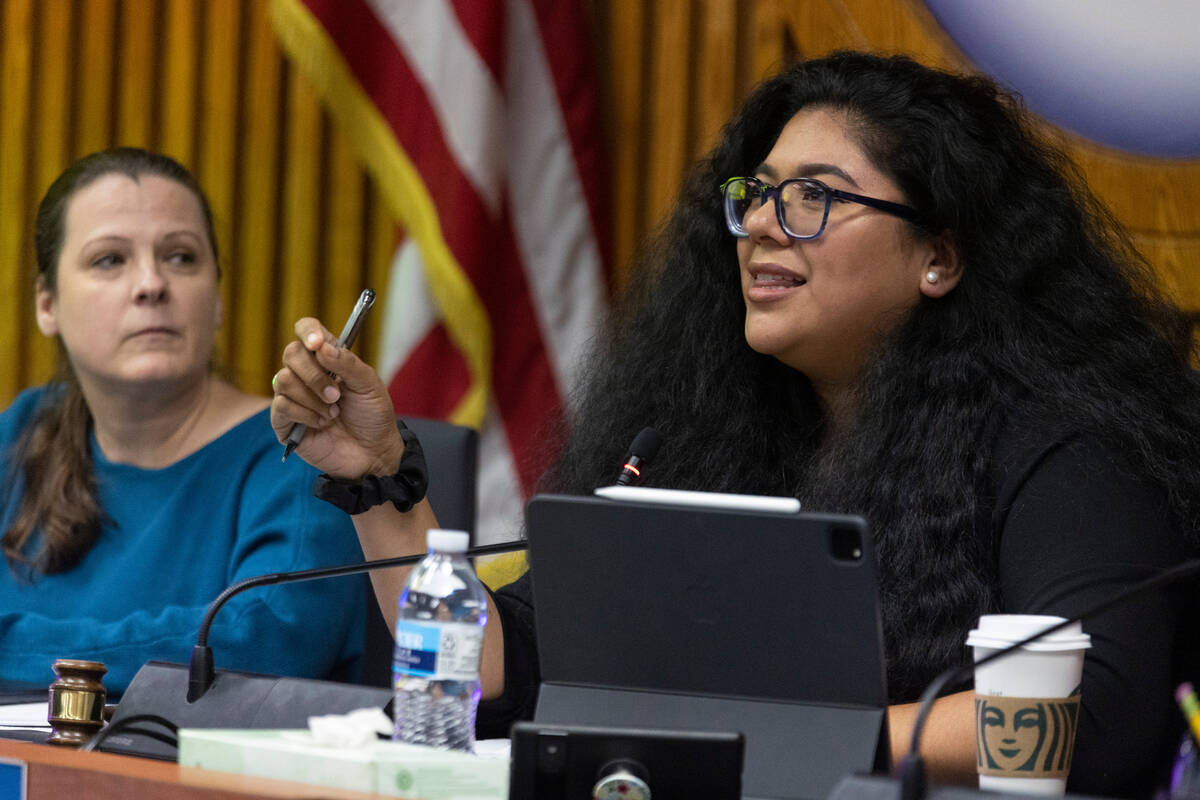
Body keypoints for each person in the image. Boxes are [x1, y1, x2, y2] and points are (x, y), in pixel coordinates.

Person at [270, 52, 1200, 795]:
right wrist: (377, 477)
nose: (760, 225)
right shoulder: (694, 443)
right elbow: (506, 671)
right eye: (756, 194)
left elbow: (1096, 712)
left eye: (815, 197)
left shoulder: (1067, 452)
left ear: (940, 258)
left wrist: (777, 743)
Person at [0, 147, 365, 694]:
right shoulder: (23, 429)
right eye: (109, 260)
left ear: (216, 297)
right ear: (46, 304)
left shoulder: (299, 448)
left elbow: (263, 643)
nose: (151, 284)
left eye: (180, 257)